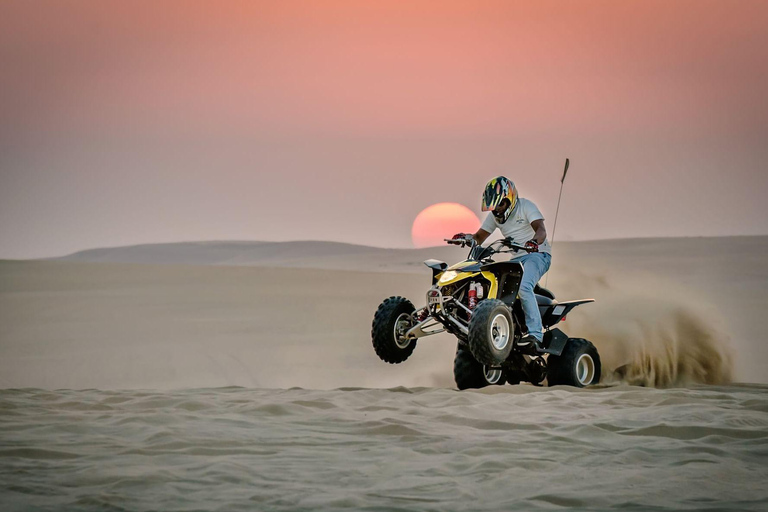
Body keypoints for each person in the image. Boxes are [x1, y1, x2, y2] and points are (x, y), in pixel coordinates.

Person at [453, 176, 551, 349]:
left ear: (509, 199)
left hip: (538, 255)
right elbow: (479, 238)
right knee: (500, 292)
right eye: (493, 206)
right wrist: (467, 238)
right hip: (517, 259)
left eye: (500, 205)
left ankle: (536, 335)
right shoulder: (495, 217)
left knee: (523, 287)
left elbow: (541, 229)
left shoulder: (526, 206)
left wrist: (534, 242)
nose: (497, 210)